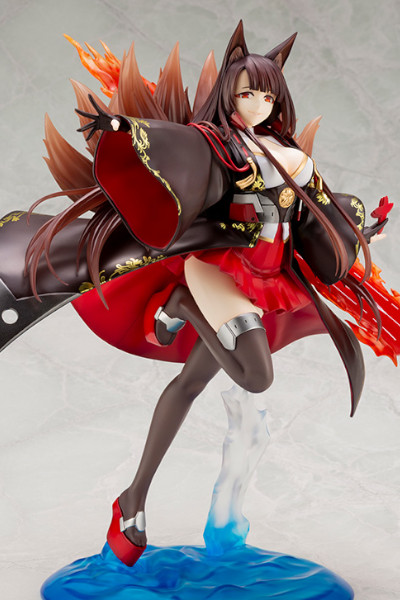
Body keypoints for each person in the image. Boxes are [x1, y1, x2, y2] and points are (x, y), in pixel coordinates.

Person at [0, 21, 394, 568]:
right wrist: (121, 127)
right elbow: (173, 151)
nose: (257, 104)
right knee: (256, 376)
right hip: (218, 269)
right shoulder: (217, 143)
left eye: (267, 95)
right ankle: (181, 305)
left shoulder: (289, 155)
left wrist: (358, 233)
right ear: (230, 93)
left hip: (268, 275)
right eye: (247, 93)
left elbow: (318, 211)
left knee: (189, 384)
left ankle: (132, 499)